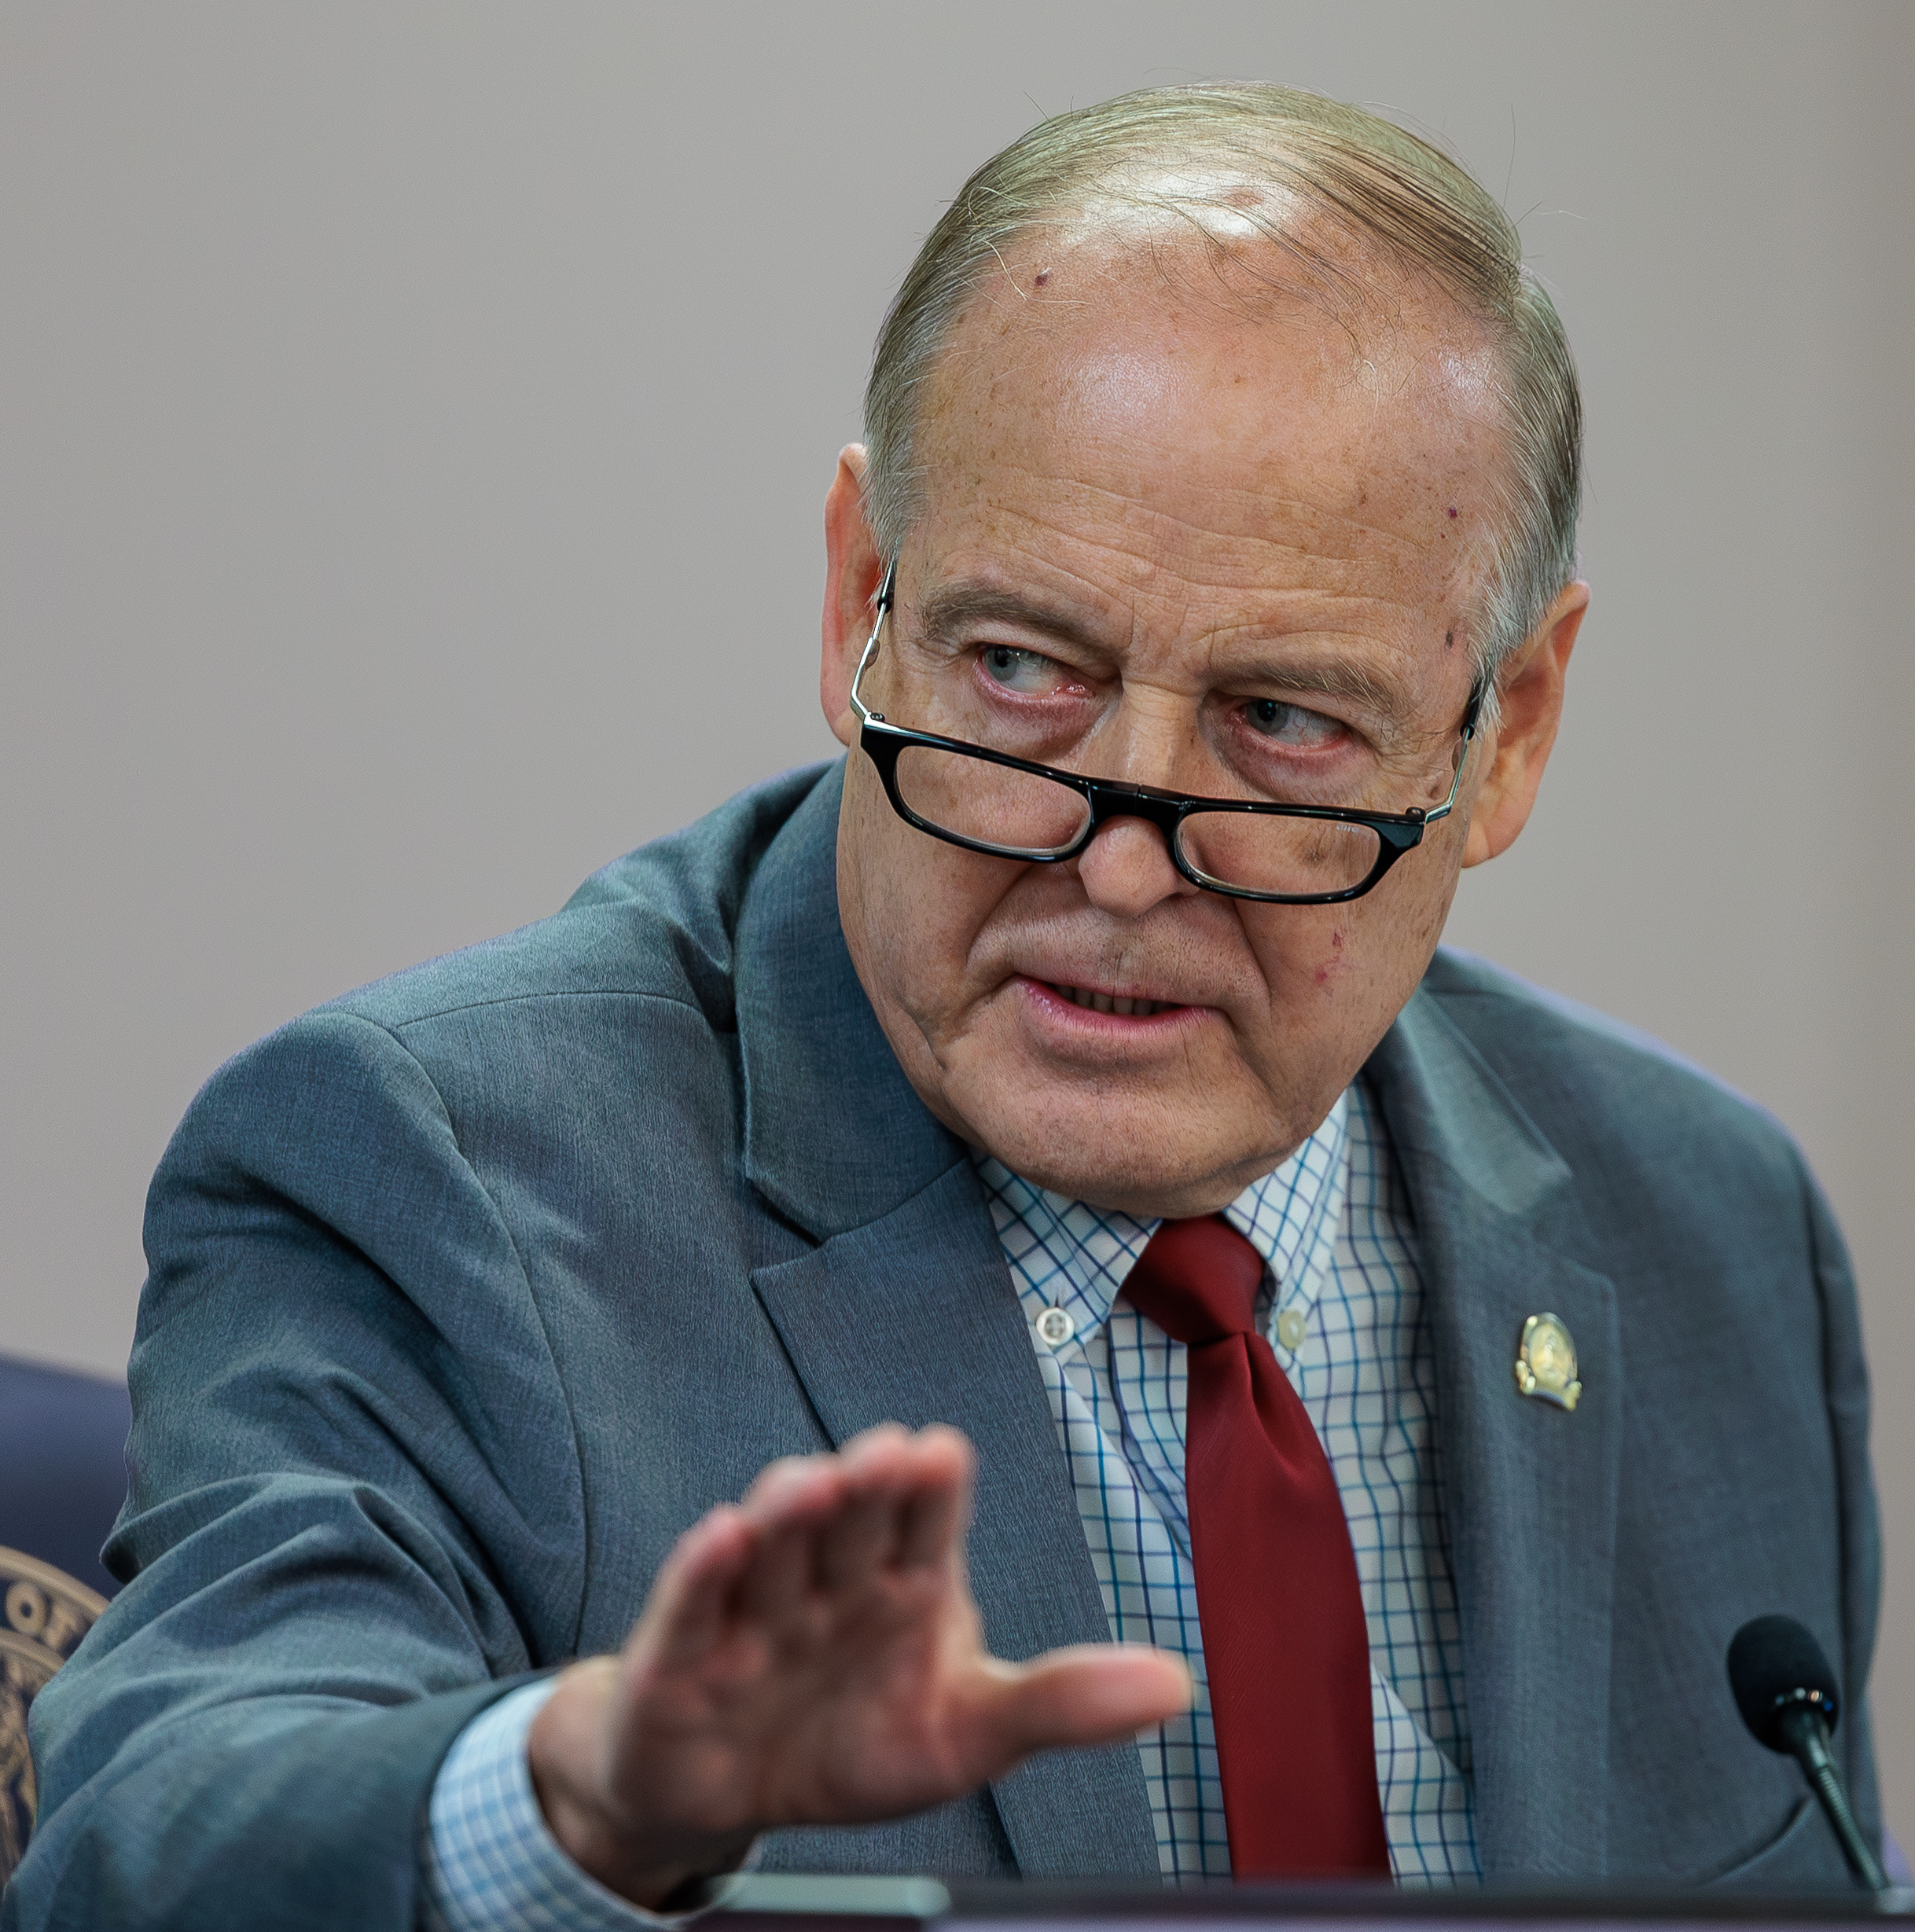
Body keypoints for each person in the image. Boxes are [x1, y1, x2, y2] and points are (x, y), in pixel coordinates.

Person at [7, 83, 1880, 1932]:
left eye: (1283, 720)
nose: (1121, 865)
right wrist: (577, 1800)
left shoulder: (1713, 1236)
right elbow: (141, 1847)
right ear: (857, 606)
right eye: (1021, 670)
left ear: (1509, 731)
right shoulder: (438, 1176)